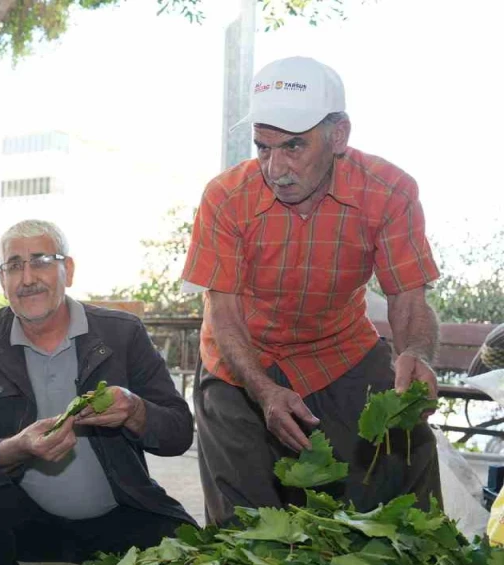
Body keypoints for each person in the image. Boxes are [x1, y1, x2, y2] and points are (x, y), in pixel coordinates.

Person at [181, 56, 442, 525]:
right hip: (241, 357)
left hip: (339, 351)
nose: (275, 168)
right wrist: (264, 391)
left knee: (399, 480)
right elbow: (223, 313)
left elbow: (408, 296)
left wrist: (416, 353)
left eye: (294, 146)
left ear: (338, 136)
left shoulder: (389, 190)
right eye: (263, 148)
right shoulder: (225, 197)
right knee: (245, 529)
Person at [0, 220, 196, 565]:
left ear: (69, 270)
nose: (28, 277)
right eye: (14, 265)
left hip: (119, 513)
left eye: (41, 261)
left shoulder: (121, 333)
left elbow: (179, 432)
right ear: (2, 280)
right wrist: (18, 446)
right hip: (28, 524)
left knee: (189, 550)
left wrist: (135, 410)